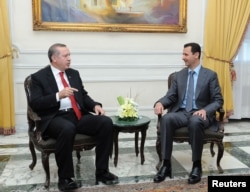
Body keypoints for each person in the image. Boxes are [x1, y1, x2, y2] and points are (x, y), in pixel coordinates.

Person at [29, 43, 119, 191]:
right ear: (54, 58)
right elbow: (36, 104)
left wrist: (95, 105)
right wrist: (58, 95)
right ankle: (65, 178)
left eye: (69, 55)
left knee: (106, 122)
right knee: (67, 128)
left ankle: (102, 171)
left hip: (76, 114)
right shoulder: (38, 77)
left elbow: (82, 95)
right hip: (54, 118)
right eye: (66, 56)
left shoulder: (73, 73)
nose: (69, 59)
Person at [153, 42, 223, 184]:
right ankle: (166, 164)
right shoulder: (179, 75)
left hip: (200, 114)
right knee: (166, 119)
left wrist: (205, 110)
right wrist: (160, 103)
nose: (182, 57)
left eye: (185, 54)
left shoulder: (210, 75)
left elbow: (218, 100)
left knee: (195, 121)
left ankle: (196, 165)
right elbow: (171, 96)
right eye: (183, 54)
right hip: (182, 112)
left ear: (196, 55)